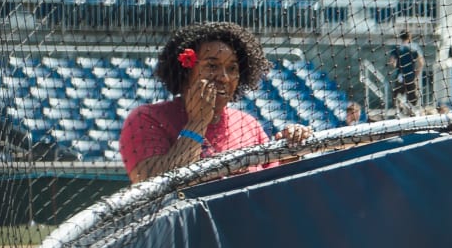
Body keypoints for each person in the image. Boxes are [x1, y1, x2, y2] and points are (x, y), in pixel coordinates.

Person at [120, 22, 311, 183]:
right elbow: (154, 186)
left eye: (232, 68)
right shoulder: (147, 119)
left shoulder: (247, 124)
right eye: (212, 66)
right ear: (186, 71)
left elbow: (270, 188)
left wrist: (289, 153)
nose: (224, 77)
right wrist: (197, 122)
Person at [388, 31, 424, 114]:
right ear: (410, 37)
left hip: (400, 75)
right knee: (412, 96)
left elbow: (392, 62)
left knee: (397, 94)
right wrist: (417, 73)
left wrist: (397, 65)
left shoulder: (397, 47)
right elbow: (421, 63)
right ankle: (411, 111)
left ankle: (399, 108)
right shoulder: (415, 47)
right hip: (411, 75)